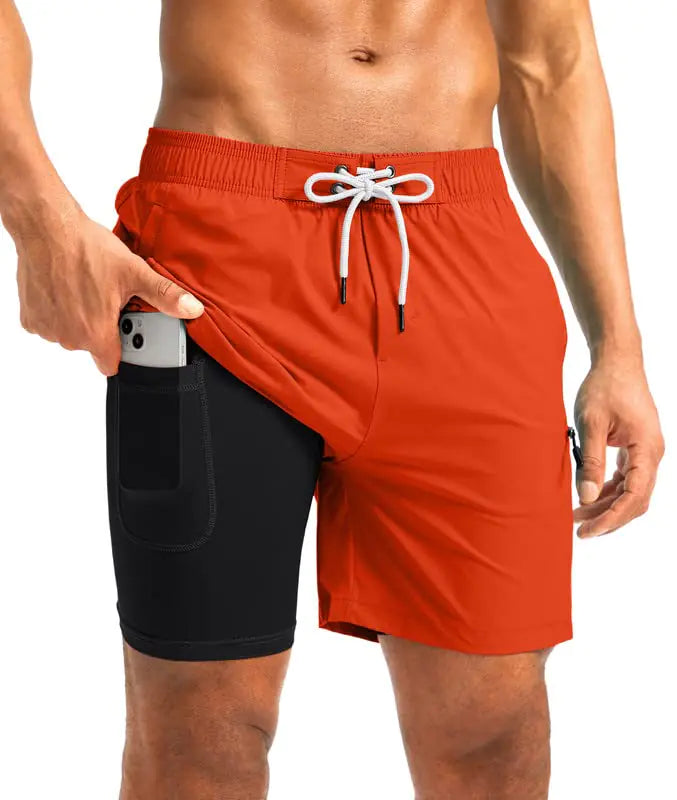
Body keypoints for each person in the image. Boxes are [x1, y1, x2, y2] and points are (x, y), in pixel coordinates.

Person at [0, 1, 664, 798]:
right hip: (215, 270)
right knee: (200, 732)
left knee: (492, 733)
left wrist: (617, 344)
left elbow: (549, 60)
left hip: (467, 267)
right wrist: (37, 217)